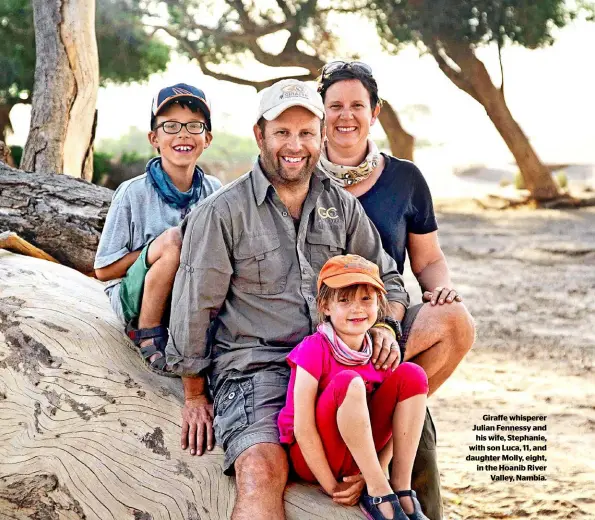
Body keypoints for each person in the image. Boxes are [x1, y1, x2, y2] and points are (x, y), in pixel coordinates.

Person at [166, 79, 411, 520]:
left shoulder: (342, 206)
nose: (294, 145)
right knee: (260, 470)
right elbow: (194, 305)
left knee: (442, 331)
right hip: (256, 370)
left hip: (335, 363)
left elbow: (388, 277)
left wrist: (382, 325)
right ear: (260, 135)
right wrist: (193, 394)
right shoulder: (222, 212)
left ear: (320, 137)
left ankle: (389, 480)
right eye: (281, 132)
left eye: (305, 133)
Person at [317, 61, 476, 519]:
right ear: (321, 112)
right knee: (416, 421)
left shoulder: (405, 179)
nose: (346, 116)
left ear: (376, 112)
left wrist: (441, 288)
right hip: (324, 329)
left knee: (456, 323)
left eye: (357, 106)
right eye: (335, 106)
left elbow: (427, 261)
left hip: (389, 321)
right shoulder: (301, 175)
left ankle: (385, 458)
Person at [279, 254, 430, 520]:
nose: (357, 309)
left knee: (413, 374)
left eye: (366, 299)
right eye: (344, 300)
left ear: (379, 304)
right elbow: (302, 427)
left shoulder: (379, 352)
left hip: (361, 456)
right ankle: (379, 490)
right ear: (325, 306)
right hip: (316, 457)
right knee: (349, 381)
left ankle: (400, 488)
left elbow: (397, 424)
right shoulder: (314, 348)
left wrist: (371, 471)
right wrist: (330, 486)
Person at [94, 83, 222, 374]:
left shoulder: (214, 191)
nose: (183, 134)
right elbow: (103, 270)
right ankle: (148, 333)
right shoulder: (132, 192)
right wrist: (156, 251)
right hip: (135, 299)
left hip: (187, 296)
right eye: (171, 126)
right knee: (175, 239)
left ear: (208, 138)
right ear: (154, 137)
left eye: (194, 126)